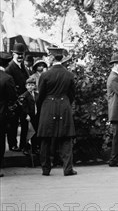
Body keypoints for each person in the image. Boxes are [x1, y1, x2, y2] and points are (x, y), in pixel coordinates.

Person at [37, 47, 77, 176]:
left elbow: (40, 95)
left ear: (52, 58)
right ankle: (67, 168)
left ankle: (46, 169)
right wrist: (65, 102)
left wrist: (41, 106)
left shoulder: (45, 75)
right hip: (64, 105)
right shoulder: (69, 75)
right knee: (66, 139)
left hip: (48, 106)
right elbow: (72, 94)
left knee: (46, 139)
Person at [5, 43, 29, 152]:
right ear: (13, 54)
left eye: (22, 54)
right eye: (18, 54)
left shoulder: (23, 66)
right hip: (15, 101)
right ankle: (13, 144)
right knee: (13, 124)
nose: (20, 56)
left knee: (25, 123)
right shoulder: (10, 68)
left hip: (24, 101)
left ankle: (23, 144)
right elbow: (9, 86)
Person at [0, 52, 18, 177]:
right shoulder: (7, 78)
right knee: (0, 141)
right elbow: (12, 97)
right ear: (7, 64)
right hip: (1, 115)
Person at [19, 76, 39, 156]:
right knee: (25, 132)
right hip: (27, 117)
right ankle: (24, 147)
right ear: (26, 86)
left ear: (35, 86)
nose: (31, 87)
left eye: (32, 85)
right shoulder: (24, 96)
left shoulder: (37, 95)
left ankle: (34, 148)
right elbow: (23, 107)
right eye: (29, 85)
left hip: (35, 116)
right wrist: (26, 114)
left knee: (35, 132)